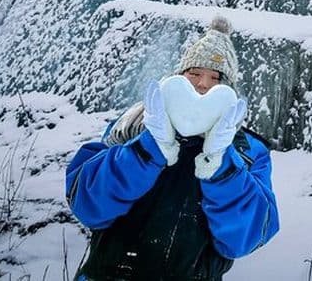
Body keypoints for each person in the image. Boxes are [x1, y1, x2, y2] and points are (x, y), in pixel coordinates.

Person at [66, 16, 280, 280]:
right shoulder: (132, 126)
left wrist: (220, 164)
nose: (203, 84)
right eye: (195, 73)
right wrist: (148, 149)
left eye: (216, 77)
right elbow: (88, 205)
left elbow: (245, 238)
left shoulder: (249, 151)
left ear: (229, 89)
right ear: (178, 76)